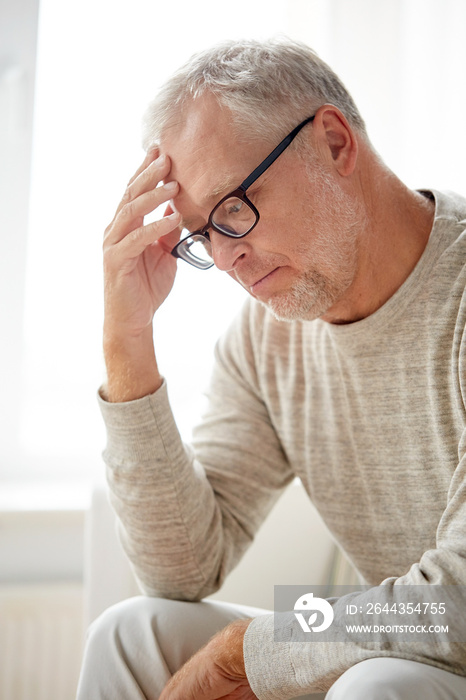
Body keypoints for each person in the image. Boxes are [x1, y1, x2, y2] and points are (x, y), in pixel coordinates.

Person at [76, 38, 466, 699]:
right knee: (129, 633)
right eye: (201, 235)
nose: (225, 261)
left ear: (335, 143)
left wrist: (250, 652)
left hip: (423, 656)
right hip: (413, 655)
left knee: (374, 686)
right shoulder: (266, 339)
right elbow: (182, 573)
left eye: (232, 207)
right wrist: (128, 338)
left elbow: (456, 600)